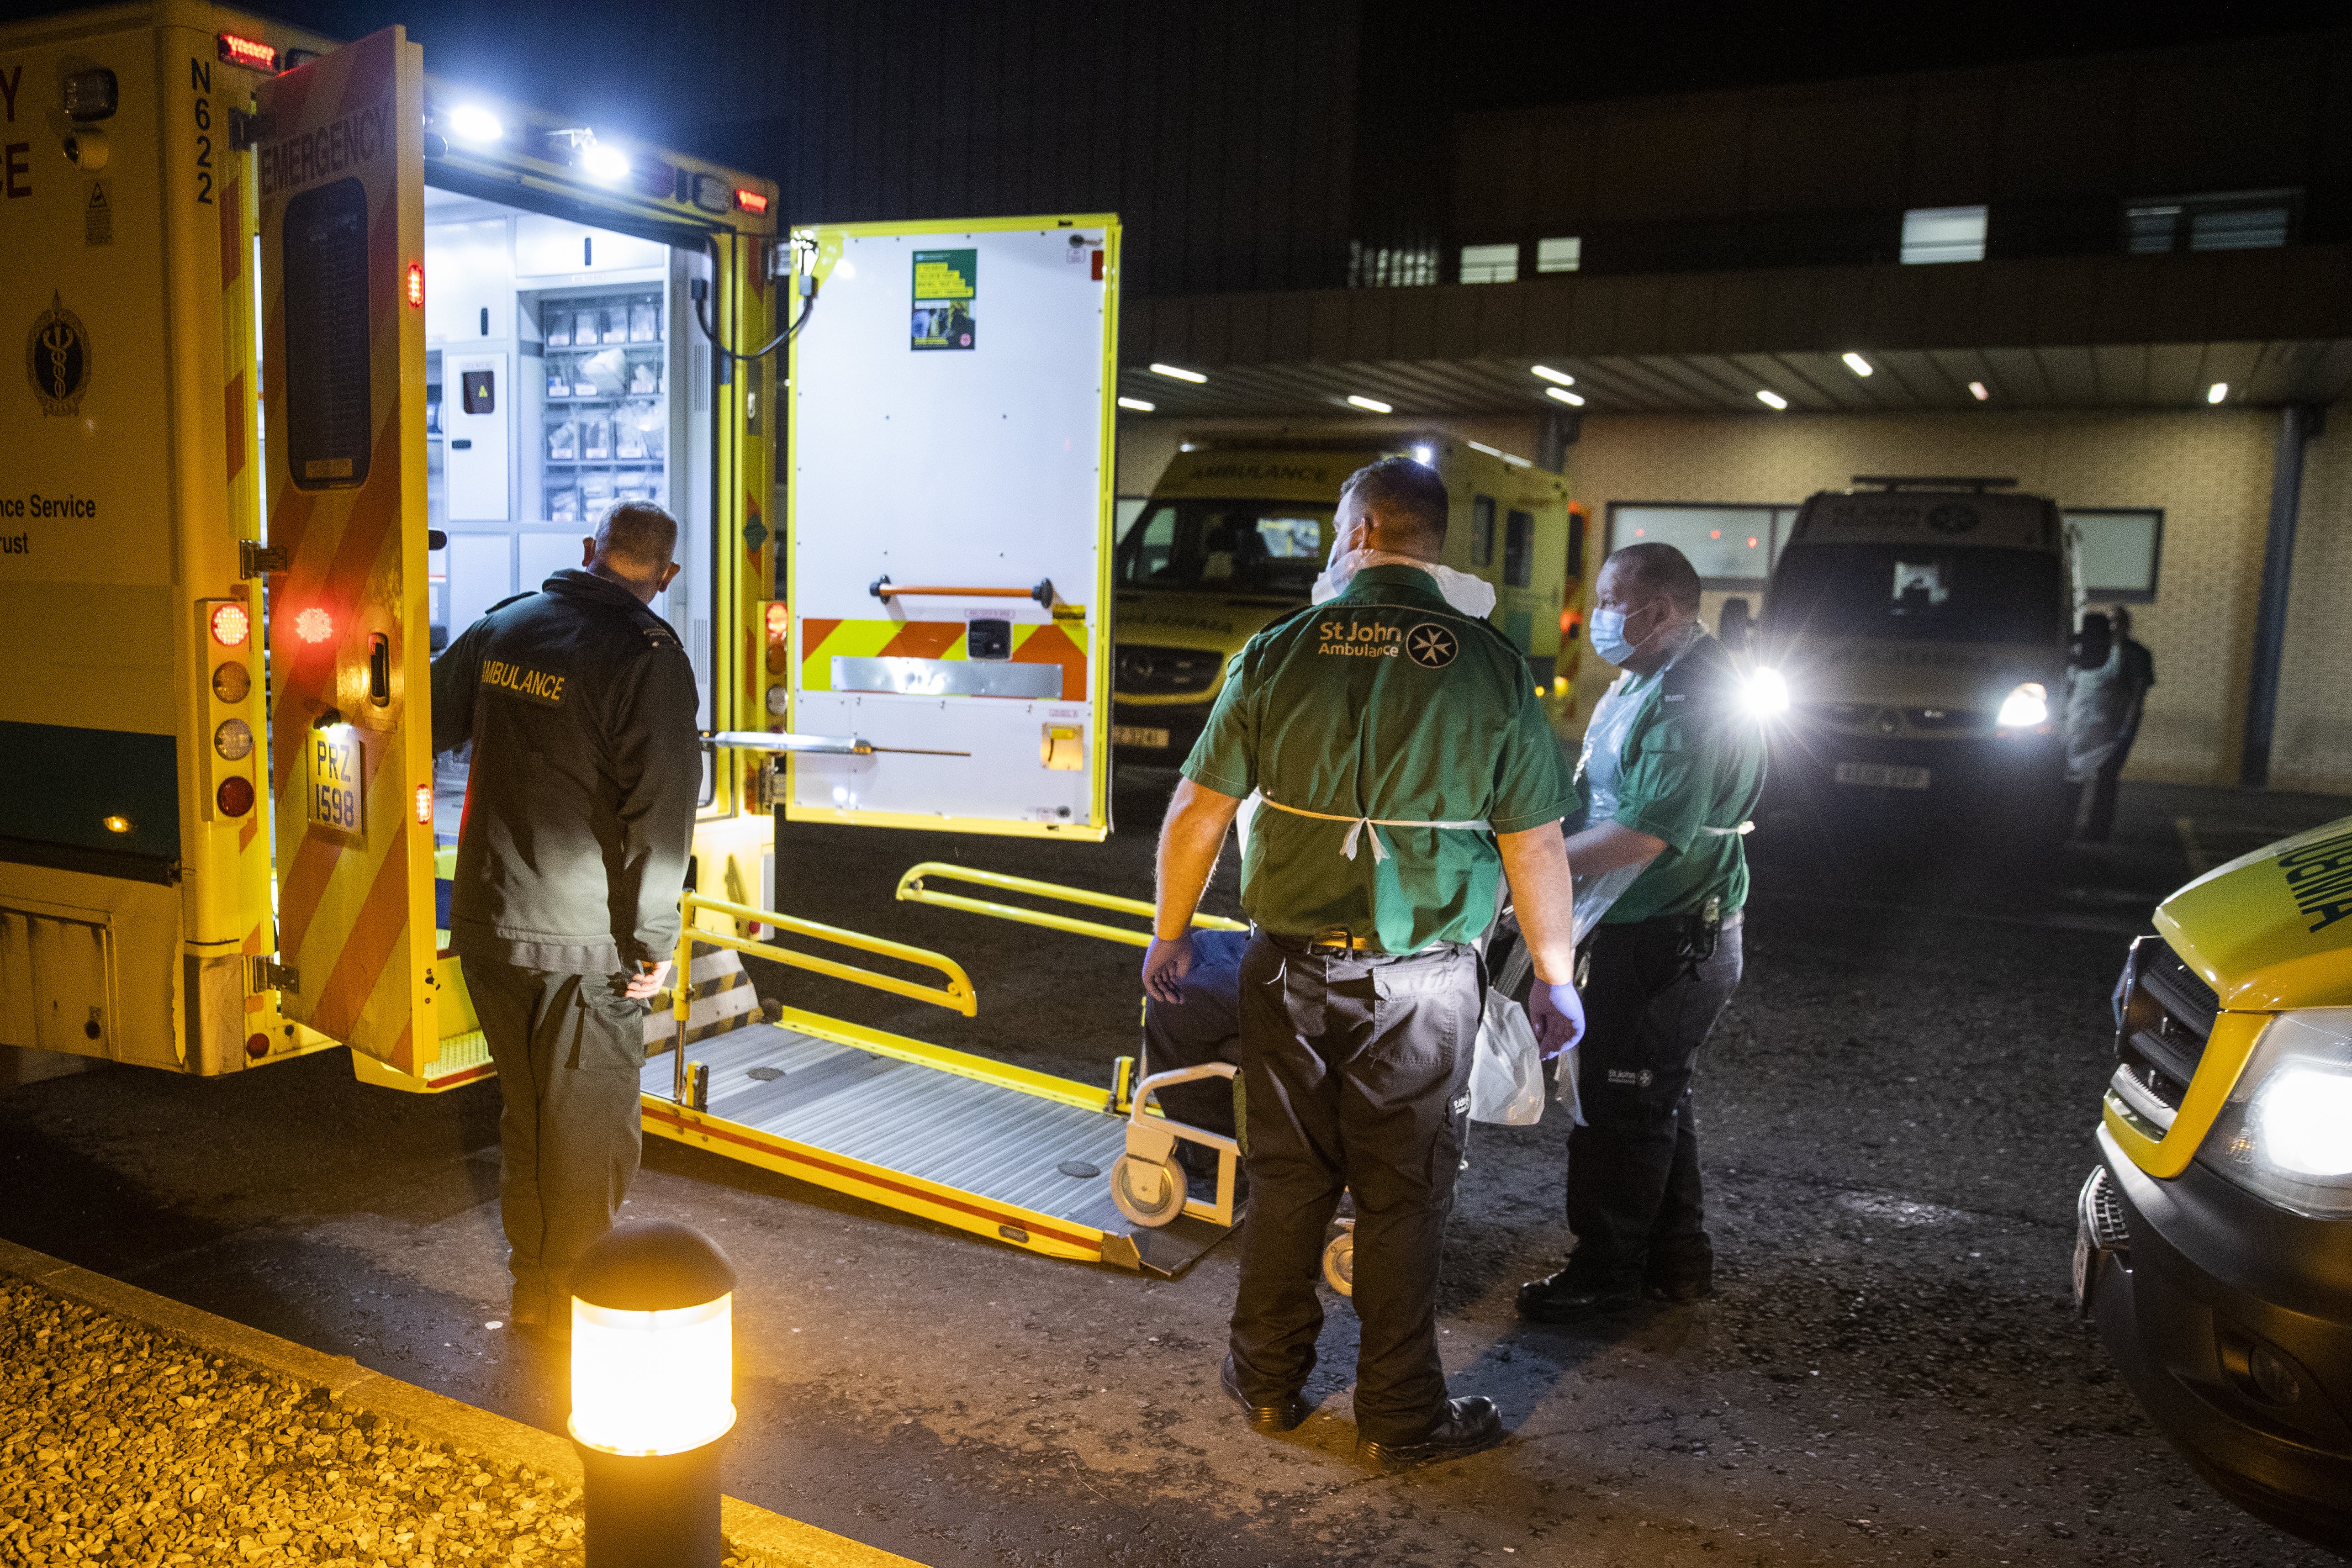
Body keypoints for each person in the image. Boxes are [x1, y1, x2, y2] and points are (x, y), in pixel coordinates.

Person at [1145, 457, 1586, 1472]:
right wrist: (1556, 976)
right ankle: (1398, 1413)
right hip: (1422, 987)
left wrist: (1171, 933)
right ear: (1430, 542)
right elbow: (1535, 844)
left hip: (1285, 970)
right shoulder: (1488, 667)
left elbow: (1197, 811)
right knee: (1401, 1195)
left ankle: (1264, 1382)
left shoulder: (1279, 649)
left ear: (1359, 532)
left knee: (1289, 1178)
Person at [430, 503, 703, 1337]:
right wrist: (654, 941)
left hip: (490, 926)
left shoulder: (504, 628)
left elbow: (423, 723)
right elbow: (659, 818)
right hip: (586, 944)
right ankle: (579, 1311)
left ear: (588, 553)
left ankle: (534, 1292)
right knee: (585, 1136)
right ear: (666, 575)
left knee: (528, 1117)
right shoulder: (647, 660)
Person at [1517, 542, 1766, 1325]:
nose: (1594, 615)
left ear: (1656, 609)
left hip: (1667, 934)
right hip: (1665, 924)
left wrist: (1530, 865)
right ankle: (1676, 1259)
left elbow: (1641, 833)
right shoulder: (1660, 674)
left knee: (1619, 1106)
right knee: (1655, 1095)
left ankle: (1604, 1274)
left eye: (1607, 599)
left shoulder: (1688, 694)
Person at [2067, 605, 2156, 843]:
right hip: (2079, 726)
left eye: (2117, 622)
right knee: (2072, 775)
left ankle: (2098, 831)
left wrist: (2127, 729)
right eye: (2107, 622)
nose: (2112, 627)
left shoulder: (2136, 654)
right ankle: (2065, 825)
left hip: (2113, 728)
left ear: (2127, 625)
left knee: (2106, 776)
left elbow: (2138, 696)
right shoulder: (2085, 650)